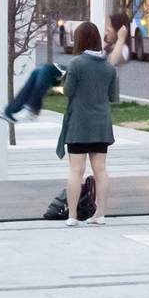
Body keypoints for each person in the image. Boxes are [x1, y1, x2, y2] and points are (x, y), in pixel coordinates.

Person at [56, 19, 127, 225]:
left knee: (76, 172)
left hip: (78, 125)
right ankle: (101, 214)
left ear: (79, 40)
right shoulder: (108, 66)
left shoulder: (76, 64)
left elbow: (68, 91)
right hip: (101, 126)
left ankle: (72, 216)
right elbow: (113, 97)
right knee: (101, 170)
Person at [0, 53, 63, 123]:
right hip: (70, 70)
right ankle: (11, 109)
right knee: (36, 73)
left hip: (71, 72)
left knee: (47, 69)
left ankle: (33, 109)